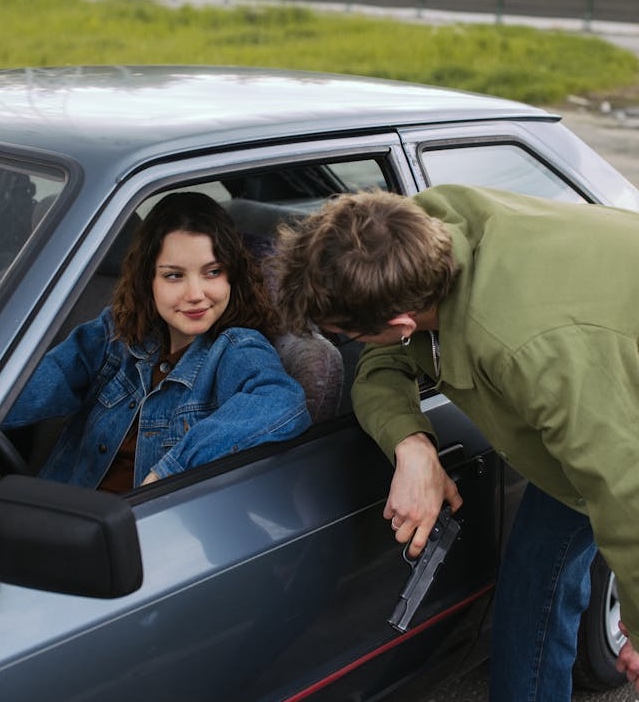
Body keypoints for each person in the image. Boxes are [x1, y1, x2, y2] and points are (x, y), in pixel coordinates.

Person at [272, 184, 639, 699]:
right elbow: (388, 358)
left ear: (400, 321)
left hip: (618, 407)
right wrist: (412, 445)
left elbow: (627, 493)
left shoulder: (530, 352)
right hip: (595, 383)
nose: (353, 347)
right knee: (536, 575)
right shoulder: (409, 235)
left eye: (349, 337)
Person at [2, 191, 311, 493]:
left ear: (232, 275)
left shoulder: (235, 348)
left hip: (138, 531)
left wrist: (171, 470)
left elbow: (283, 400)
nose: (195, 294)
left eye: (212, 272)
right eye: (174, 276)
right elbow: (37, 383)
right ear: (147, 279)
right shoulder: (115, 332)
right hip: (58, 513)